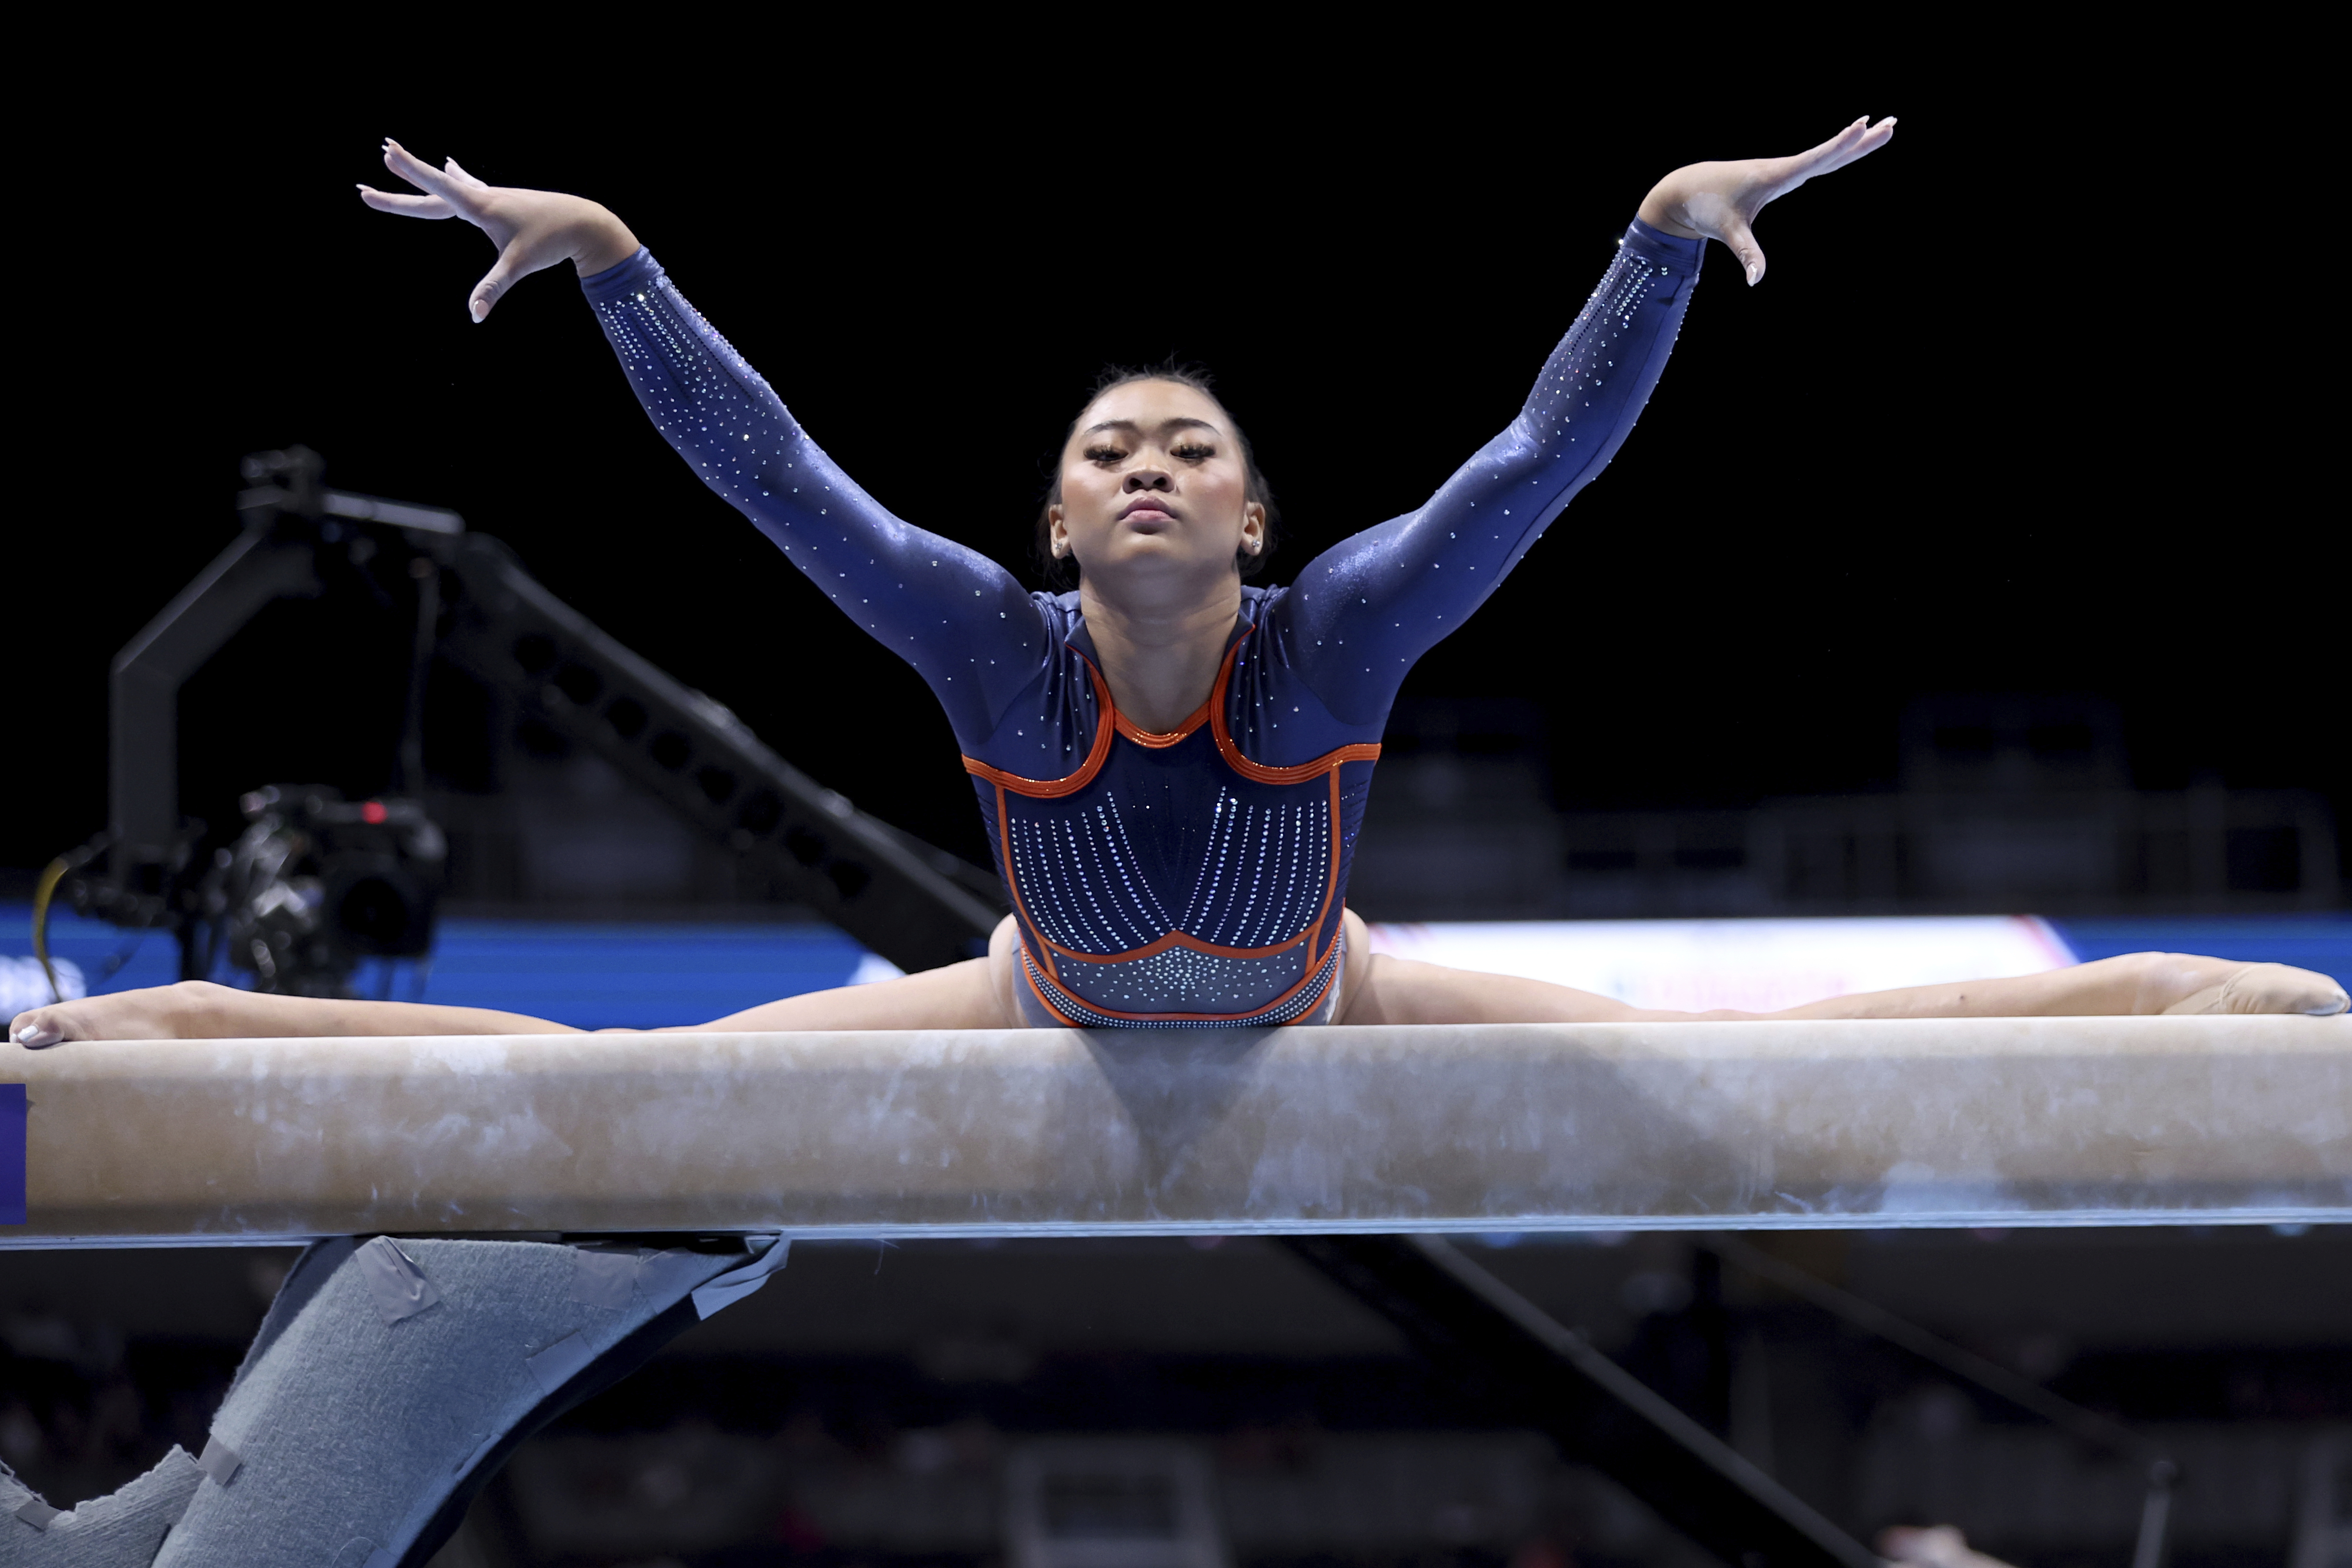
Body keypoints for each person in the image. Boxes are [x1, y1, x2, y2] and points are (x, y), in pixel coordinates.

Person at [10, 120, 2346, 1047]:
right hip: (1032, 1006)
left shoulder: (1333, 633)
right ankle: (133, 1040)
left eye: (1189, 449)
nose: (1145, 464)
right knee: (577, 1084)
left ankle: (2243, 1017)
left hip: (1333, 1009)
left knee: (1777, 1070)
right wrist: (618, 260)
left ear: (1251, 521)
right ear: (1053, 524)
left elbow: (1532, 467)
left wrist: (1651, 239)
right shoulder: (988, 652)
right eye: (1105, 448)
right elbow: (783, 488)